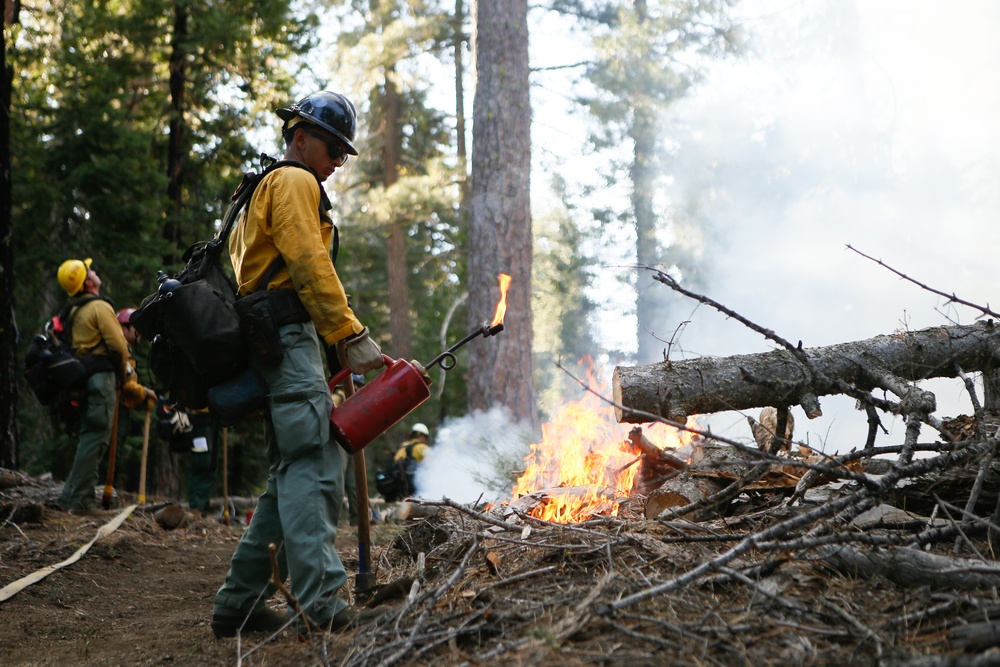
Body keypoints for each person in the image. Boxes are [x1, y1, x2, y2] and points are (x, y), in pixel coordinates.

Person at [211, 90, 387, 638]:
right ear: (300, 137)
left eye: (342, 153)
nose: (336, 162)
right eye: (332, 147)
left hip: (279, 339)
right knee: (314, 463)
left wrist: (333, 345)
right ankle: (323, 603)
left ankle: (238, 605)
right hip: (286, 338)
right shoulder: (292, 181)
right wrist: (349, 334)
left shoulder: (263, 187)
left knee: (291, 472)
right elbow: (308, 264)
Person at [55, 257, 130, 511]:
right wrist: (123, 373)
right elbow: (119, 346)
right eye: (91, 270)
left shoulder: (75, 310)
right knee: (96, 438)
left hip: (86, 379)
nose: (95, 271)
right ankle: (79, 501)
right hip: (102, 379)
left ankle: (72, 496)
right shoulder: (99, 307)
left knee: (91, 437)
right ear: (88, 282)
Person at [393, 423, 431, 497]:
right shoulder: (422, 447)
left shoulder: (402, 447)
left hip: (401, 489)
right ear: (423, 436)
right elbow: (435, 464)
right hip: (417, 487)